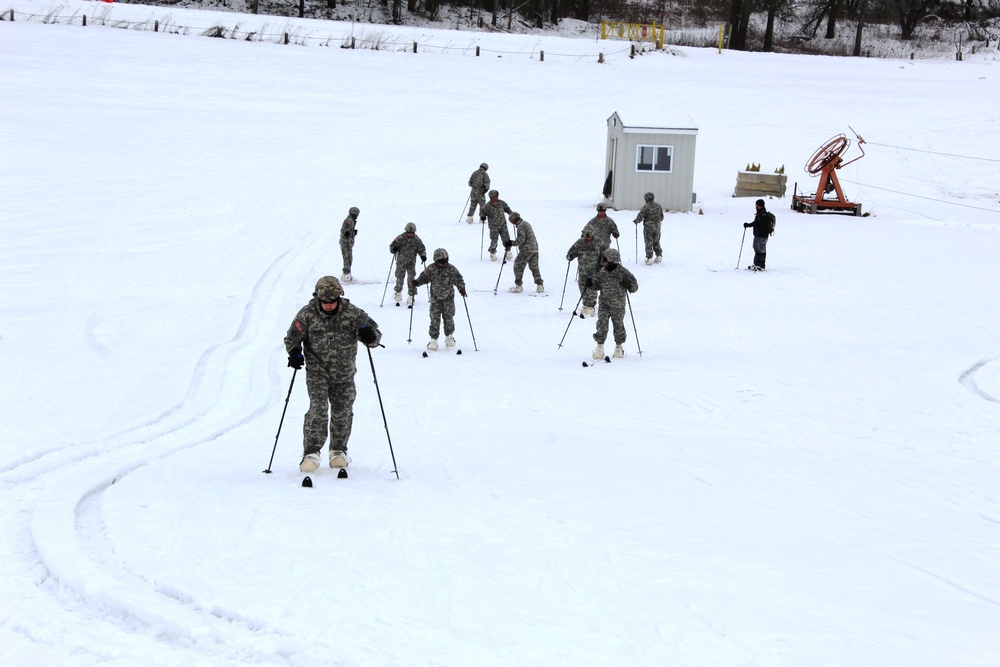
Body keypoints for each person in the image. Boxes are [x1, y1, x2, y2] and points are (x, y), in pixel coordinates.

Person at [284, 276, 382, 473]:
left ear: (339, 298)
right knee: (318, 409)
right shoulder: (307, 314)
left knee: (343, 411)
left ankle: (338, 451)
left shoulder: (353, 313)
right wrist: (295, 353)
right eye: (324, 302)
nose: (328, 306)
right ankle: (311, 453)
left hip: (344, 374)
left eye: (332, 302)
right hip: (317, 372)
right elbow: (292, 338)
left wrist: (369, 336)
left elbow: (375, 337)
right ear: (318, 298)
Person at [411, 248, 467, 351]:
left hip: (448, 298)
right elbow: (424, 278)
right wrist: (417, 282)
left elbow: (458, 279)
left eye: (446, 261)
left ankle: (449, 337)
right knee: (434, 319)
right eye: (441, 262)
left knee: (449, 317)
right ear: (436, 260)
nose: (444, 264)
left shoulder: (451, 269)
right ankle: (433, 340)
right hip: (435, 299)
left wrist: (461, 288)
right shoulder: (431, 269)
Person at [587, 248, 638, 360]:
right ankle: (599, 347)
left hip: (618, 306)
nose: (603, 262)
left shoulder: (623, 272)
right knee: (602, 325)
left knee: (618, 325)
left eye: (605, 259)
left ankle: (619, 347)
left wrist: (628, 285)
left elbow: (635, 287)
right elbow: (597, 286)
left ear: (611, 260)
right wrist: (590, 284)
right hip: (604, 305)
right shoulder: (602, 272)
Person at [566, 225, 606, 317]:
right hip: (583, 271)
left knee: (592, 288)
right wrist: (570, 255)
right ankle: (585, 305)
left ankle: (591, 306)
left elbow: (605, 255)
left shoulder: (599, 242)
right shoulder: (579, 242)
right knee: (582, 287)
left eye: (590, 236)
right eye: (586, 236)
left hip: (595, 271)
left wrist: (601, 264)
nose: (588, 238)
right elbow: (571, 251)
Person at [389, 222, 427, 305]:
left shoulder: (417, 240)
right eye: (409, 233)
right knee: (399, 277)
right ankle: (398, 293)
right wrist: (394, 249)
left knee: (411, 279)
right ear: (406, 231)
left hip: (411, 263)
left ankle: (411, 295)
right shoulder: (400, 238)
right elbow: (392, 246)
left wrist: (423, 256)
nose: (410, 234)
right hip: (401, 262)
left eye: (412, 233)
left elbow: (421, 249)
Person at [506, 212, 544, 293]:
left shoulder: (521, 226)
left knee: (518, 265)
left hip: (526, 249)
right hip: (535, 248)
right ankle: (539, 285)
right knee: (534, 267)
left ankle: (518, 285)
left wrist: (511, 243)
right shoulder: (526, 223)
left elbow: (522, 239)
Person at [481, 189, 513, 262]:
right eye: (495, 196)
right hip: (493, 227)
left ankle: (508, 251)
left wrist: (512, 214)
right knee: (494, 240)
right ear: (491, 197)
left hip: (503, 225)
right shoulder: (487, 206)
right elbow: (482, 212)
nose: (496, 198)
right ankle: (493, 253)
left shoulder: (502, 203)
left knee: (506, 239)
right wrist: (482, 217)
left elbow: (507, 209)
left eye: (497, 196)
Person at [633, 192, 664, 265]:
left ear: (646, 199)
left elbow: (640, 216)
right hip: (657, 227)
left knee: (649, 242)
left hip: (648, 228)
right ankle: (659, 256)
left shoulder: (646, 207)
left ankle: (649, 258)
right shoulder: (658, 206)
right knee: (656, 241)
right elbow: (662, 217)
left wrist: (636, 221)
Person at [743, 198, 773, 271]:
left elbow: (758, 223)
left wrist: (749, 225)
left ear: (760, 206)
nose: (755, 206)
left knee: (761, 249)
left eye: (756, 205)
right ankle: (756, 264)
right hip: (758, 234)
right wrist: (749, 225)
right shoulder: (760, 213)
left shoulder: (763, 214)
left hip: (762, 235)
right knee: (756, 247)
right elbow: (756, 223)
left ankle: (761, 265)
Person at [339, 206, 360, 282]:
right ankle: (346, 275)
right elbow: (343, 230)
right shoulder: (349, 220)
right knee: (347, 259)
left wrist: (353, 232)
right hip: (346, 243)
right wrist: (347, 233)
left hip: (348, 243)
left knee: (349, 258)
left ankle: (347, 273)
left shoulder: (351, 220)